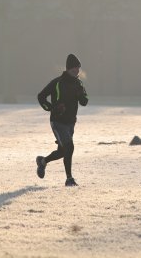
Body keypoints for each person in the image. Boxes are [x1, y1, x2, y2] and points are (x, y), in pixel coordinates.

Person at [36, 54, 89, 186]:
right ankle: (69, 179)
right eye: (74, 69)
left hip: (71, 122)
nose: (76, 71)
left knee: (62, 151)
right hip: (58, 122)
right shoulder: (57, 82)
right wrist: (52, 108)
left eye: (78, 68)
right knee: (69, 147)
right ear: (68, 69)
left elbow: (84, 102)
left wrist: (81, 94)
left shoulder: (79, 83)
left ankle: (43, 161)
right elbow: (41, 96)